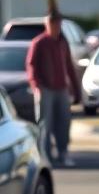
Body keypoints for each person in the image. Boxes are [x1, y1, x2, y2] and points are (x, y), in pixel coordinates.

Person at [26, 10, 81, 167]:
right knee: (45, 124)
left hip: (62, 88)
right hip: (45, 89)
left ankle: (63, 154)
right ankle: (45, 157)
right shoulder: (39, 42)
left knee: (64, 122)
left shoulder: (62, 43)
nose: (55, 27)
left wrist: (75, 89)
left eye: (57, 24)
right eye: (52, 23)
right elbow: (31, 66)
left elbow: (69, 66)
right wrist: (36, 86)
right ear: (47, 24)